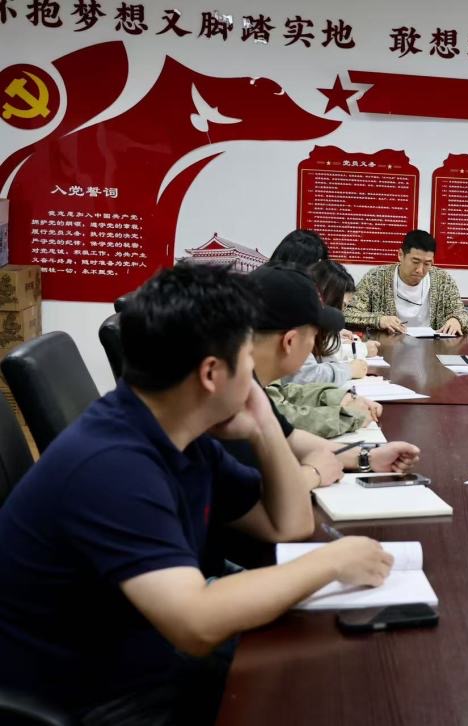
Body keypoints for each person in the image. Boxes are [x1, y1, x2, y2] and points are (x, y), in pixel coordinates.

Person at [0, 264, 398, 723]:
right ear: (211, 373)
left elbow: (287, 525)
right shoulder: (113, 464)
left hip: (143, 654)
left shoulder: (184, 433)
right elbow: (196, 623)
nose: (255, 375)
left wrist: (266, 427)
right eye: (246, 358)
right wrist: (332, 561)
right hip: (93, 697)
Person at [231, 262, 419, 486]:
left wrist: (366, 457)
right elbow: (262, 501)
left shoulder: (250, 381)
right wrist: (313, 474)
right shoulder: (233, 403)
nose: (317, 344)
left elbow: (288, 432)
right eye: (314, 335)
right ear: (290, 342)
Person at [343, 229, 468, 335]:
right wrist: (379, 320)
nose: (420, 270)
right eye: (415, 262)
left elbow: (463, 314)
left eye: (427, 263)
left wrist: (457, 320)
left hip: (431, 347)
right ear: (400, 255)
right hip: (388, 347)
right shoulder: (376, 278)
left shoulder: (443, 280)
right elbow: (349, 313)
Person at [281, 259, 379, 388]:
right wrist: (349, 369)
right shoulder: (297, 325)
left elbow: (325, 358)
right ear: (329, 301)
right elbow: (305, 376)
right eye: (343, 305)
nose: (342, 313)